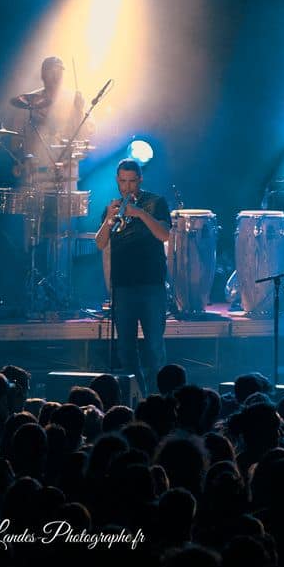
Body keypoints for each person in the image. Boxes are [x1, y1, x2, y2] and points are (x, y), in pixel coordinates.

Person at [94, 158, 170, 394]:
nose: (127, 188)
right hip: (123, 287)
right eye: (123, 182)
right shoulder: (111, 207)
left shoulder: (156, 202)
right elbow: (100, 243)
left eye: (132, 182)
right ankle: (135, 397)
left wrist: (139, 213)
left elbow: (164, 235)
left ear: (140, 180)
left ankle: (159, 400)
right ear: (117, 180)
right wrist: (109, 220)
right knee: (126, 350)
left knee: (154, 348)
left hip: (151, 286)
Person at [9, 55, 93, 186]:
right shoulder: (28, 100)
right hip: (37, 171)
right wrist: (19, 161)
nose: (55, 76)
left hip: (66, 171)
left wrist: (79, 111)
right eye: (51, 72)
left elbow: (85, 134)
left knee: (66, 205)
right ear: (42, 75)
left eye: (59, 72)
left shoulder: (75, 99)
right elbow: (15, 139)